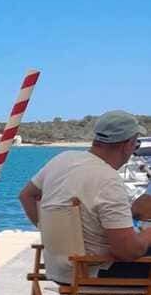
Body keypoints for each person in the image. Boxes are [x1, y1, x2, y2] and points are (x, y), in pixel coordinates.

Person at [19, 111, 151, 282]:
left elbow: (26, 195)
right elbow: (127, 251)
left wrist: (52, 234)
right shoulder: (107, 180)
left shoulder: (62, 159)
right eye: (136, 144)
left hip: (59, 269)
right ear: (127, 145)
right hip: (94, 269)